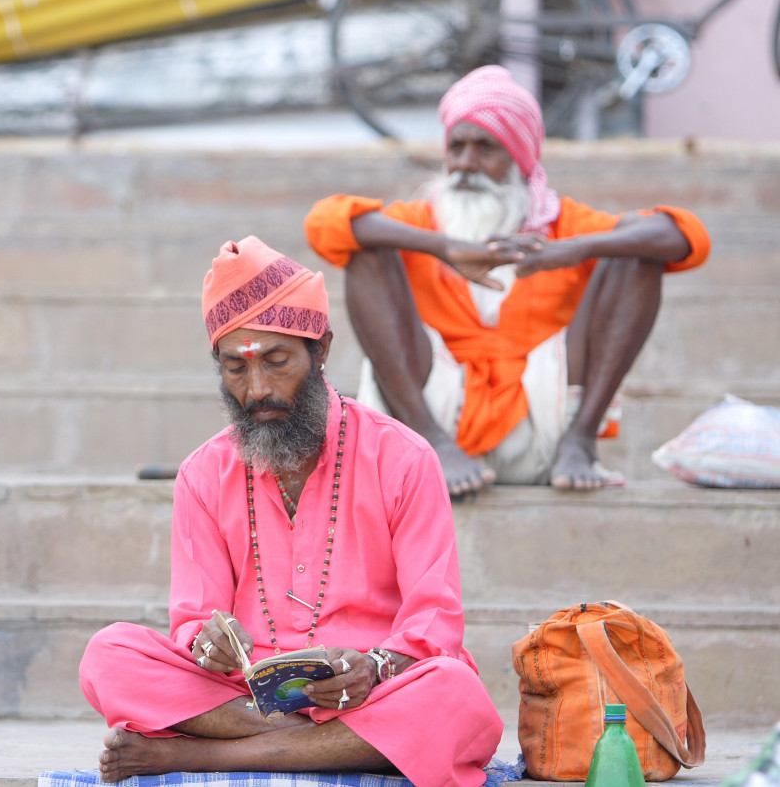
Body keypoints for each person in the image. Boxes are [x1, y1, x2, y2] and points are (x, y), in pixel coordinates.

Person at [79, 236, 503, 787]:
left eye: (277, 362)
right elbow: (192, 620)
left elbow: (433, 622)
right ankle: (323, 749)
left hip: (369, 693)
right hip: (242, 697)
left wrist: (373, 667)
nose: (258, 390)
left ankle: (199, 757)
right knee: (109, 655)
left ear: (320, 349)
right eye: (235, 369)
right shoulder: (203, 473)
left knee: (455, 695)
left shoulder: (404, 458)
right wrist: (206, 644)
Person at [304, 65, 711, 497]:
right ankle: (437, 445)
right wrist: (443, 247)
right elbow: (324, 222)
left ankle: (582, 441)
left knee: (634, 251)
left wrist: (574, 249)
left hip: (544, 419)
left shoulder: (565, 224)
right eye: (456, 147)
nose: (465, 164)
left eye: (486, 148)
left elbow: (686, 237)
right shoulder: (419, 223)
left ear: (519, 157)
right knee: (366, 246)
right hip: (429, 425)